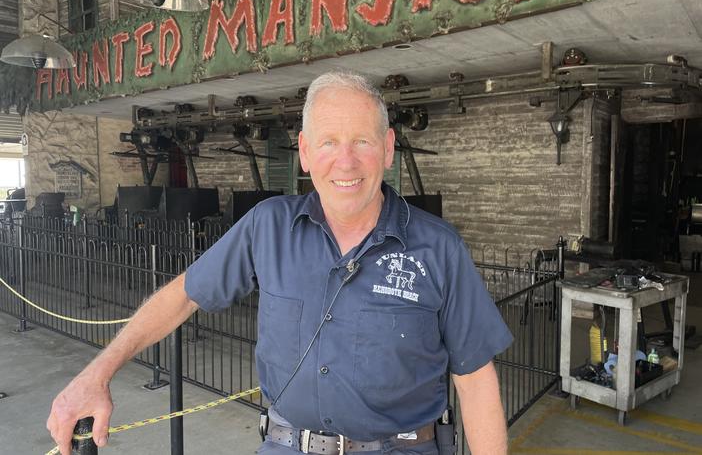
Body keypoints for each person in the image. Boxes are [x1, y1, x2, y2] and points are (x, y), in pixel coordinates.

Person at [47, 71, 513, 455]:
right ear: (306, 153)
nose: (346, 161)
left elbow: (475, 382)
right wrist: (96, 373)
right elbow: (182, 296)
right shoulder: (267, 226)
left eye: (362, 142)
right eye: (329, 142)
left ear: (389, 149)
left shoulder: (439, 248)